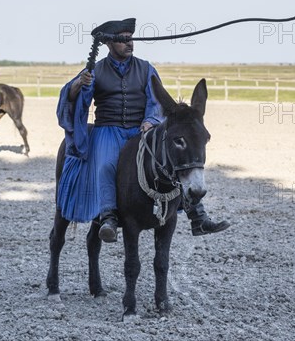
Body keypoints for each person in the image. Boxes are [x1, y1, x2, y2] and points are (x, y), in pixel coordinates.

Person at [57, 18, 230, 243]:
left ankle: (198, 215)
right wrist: (78, 84)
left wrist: (150, 120)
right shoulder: (95, 71)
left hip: (140, 129)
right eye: (124, 40)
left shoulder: (146, 68)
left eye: (131, 38)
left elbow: (156, 99)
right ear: (109, 43)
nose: (130, 44)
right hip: (108, 132)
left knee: (171, 158)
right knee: (106, 165)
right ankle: (108, 216)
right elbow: (74, 101)